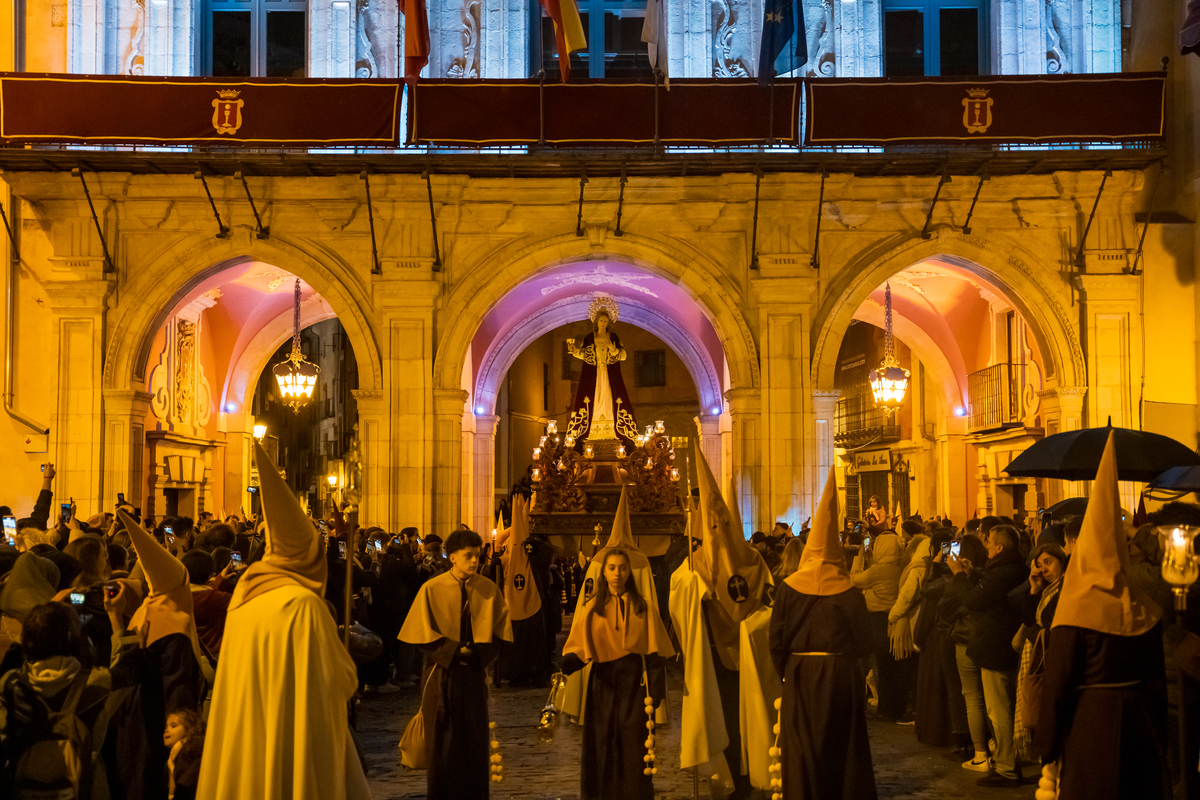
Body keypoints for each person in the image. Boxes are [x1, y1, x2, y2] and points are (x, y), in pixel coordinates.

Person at [196, 442, 370, 799]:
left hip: (245, 733)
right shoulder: (303, 604)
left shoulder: (244, 597)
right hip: (293, 732)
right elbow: (337, 680)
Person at [1035, 434, 1170, 800]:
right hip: (1142, 725)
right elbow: (1157, 681)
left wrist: (1046, 745)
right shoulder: (1143, 605)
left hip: (1091, 725)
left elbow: (1057, 685)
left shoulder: (1077, 606)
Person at [769, 469, 876, 800]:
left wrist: (787, 672)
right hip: (840, 674)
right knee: (842, 747)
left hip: (800, 674)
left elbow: (776, 640)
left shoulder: (788, 589)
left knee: (802, 746)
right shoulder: (847, 590)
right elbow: (865, 639)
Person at [399, 527, 512, 800]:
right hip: (440, 675)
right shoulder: (432, 589)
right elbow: (420, 634)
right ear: (453, 557)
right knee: (442, 741)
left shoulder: (488, 589)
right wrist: (450, 651)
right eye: (468, 555)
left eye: (477, 556)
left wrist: (479, 655)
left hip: (472, 675)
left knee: (474, 739)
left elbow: (498, 633)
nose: (474, 561)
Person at [562, 547, 674, 800]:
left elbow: (655, 653)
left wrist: (655, 691)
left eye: (622, 568)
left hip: (634, 683)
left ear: (629, 572)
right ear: (604, 572)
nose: (617, 573)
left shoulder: (642, 607)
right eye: (612, 568)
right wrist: (569, 662)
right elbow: (580, 646)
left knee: (634, 745)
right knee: (602, 741)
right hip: (602, 683)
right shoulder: (593, 608)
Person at [953, 524, 1029, 787]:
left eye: (988, 543)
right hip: (1003, 644)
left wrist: (960, 577)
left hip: (995, 646)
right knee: (1003, 706)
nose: (985, 547)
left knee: (999, 709)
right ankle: (1006, 760)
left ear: (999, 547)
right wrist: (973, 575)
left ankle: (1007, 766)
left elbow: (974, 601)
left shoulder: (1002, 573)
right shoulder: (1012, 569)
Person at [1012, 542, 1067, 758]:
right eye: (1039, 564)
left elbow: (1049, 625)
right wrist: (1034, 588)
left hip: (1052, 661)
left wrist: (1034, 633)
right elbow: (1027, 620)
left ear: (1061, 562)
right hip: (1041, 658)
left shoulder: (1065, 588)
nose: (1043, 568)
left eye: (1048, 562)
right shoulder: (1046, 590)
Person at [564, 297, 636, 445]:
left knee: (609, 397)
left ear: (608, 322)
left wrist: (613, 349)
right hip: (593, 374)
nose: (603, 323)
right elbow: (585, 355)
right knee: (594, 398)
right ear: (596, 322)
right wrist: (574, 351)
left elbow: (623, 356)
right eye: (601, 320)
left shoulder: (614, 337)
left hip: (609, 374)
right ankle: (592, 428)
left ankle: (610, 429)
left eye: (605, 321)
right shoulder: (590, 338)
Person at [851, 533, 904, 720]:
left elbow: (855, 579)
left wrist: (859, 557)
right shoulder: (897, 567)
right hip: (892, 618)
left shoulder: (877, 571)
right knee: (890, 666)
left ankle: (886, 709)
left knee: (880, 665)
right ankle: (891, 707)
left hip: (877, 618)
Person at [164, 708, 204, 800]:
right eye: (166, 727)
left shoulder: (193, 744)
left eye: (173, 726)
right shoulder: (173, 755)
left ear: (190, 729)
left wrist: (183, 786)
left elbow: (197, 766)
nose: (166, 730)